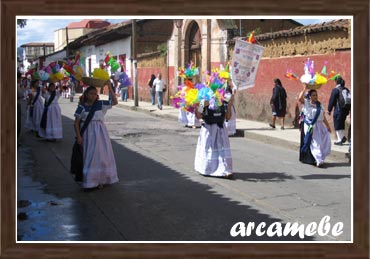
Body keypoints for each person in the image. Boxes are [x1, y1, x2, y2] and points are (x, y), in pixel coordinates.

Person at [73, 83, 119, 191]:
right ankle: (91, 180)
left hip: (101, 133)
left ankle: (102, 179)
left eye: (95, 94)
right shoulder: (81, 107)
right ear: (86, 94)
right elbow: (76, 123)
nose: (93, 96)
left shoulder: (100, 104)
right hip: (88, 133)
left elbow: (115, 102)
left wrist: (109, 87)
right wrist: (79, 137)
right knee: (90, 156)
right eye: (91, 93)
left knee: (102, 155)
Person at [194, 95, 234, 178]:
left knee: (222, 150)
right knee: (209, 149)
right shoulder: (204, 98)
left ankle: (226, 170)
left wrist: (230, 104)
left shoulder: (224, 100)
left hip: (220, 130)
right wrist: (200, 105)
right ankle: (207, 168)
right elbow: (199, 116)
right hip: (208, 130)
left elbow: (228, 117)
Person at [298, 84, 331, 167]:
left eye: (316, 95)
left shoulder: (320, 105)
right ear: (310, 96)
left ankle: (320, 157)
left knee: (324, 141)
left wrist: (328, 126)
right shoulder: (307, 103)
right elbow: (300, 98)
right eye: (313, 95)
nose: (315, 96)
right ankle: (318, 160)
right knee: (315, 143)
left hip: (319, 126)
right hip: (310, 125)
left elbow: (323, 117)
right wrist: (304, 89)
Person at [327, 76, 350, 145]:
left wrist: (329, 110)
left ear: (336, 82)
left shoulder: (336, 90)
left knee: (337, 124)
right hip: (345, 110)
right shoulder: (346, 89)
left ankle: (340, 139)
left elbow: (332, 100)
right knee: (341, 123)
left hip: (338, 109)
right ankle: (342, 137)